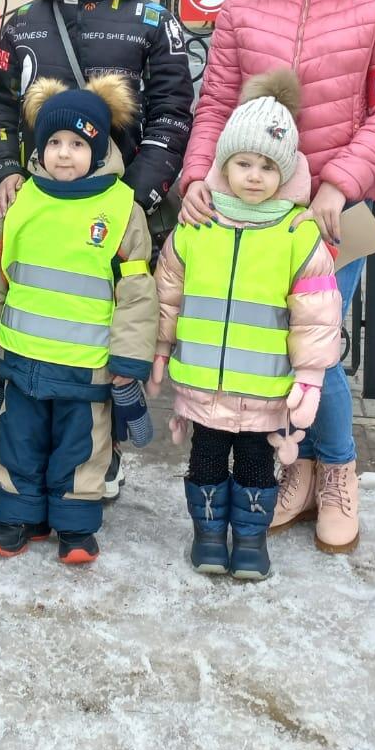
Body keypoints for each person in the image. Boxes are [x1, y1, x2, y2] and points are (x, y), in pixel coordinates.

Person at [177, 0, 375, 555]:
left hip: (337, 212)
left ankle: (338, 471)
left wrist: (340, 181)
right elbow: (215, 104)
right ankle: (302, 468)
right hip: (249, 212)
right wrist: (197, 176)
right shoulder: (242, 6)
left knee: (318, 347)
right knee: (269, 346)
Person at [0, 0, 193, 499]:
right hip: (44, 209)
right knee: (50, 324)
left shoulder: (152, 21)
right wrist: (4, 169)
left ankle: (105, 452)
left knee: (114, 326)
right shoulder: (23, 23)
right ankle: (39, 453)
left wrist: (135, 196)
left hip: (120, 209)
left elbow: (172, 115)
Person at [151, 70, 342, 580]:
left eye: (267, 166)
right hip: (203, 383)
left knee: (258, 464)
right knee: (206, 459)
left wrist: (310, 378)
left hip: (264, 388)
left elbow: (317, 316)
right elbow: (168, 291)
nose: (254, 176)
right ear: (223, 164)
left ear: (286, 171)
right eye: (243, 163)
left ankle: (252, 540)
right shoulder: (197, 227)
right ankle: (209, 534)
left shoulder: (297, 235)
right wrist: (161, 348)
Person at [0, 75, 157, 565]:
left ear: (98, 148)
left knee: (82, 447)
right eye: (54, 143)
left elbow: (136, 292)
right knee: (18, 441)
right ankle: (19, 516)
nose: (64, 154)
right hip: (22, 359)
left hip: (87, 366)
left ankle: (75, 525)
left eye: (77, 143)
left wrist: (129, 357)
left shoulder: (121, 210)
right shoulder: (24, 202)